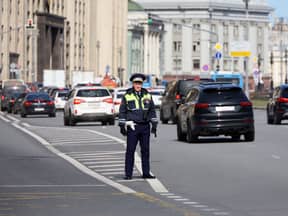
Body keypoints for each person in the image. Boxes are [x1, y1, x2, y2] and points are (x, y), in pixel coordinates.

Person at [119, 73, 158, 180]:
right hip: (133, 126)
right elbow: (122, 112)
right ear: (133, 83)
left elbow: (152, 111)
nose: (138, 85)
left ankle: (146, 172)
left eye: (140, 83)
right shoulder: (127, 95)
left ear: (142, 84)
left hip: (145, 126)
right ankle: (128, 174)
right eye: (136, 83)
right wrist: (122, 126)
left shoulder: (147, 95)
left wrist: (154, 124)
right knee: (130, 150)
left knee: (145, 150)